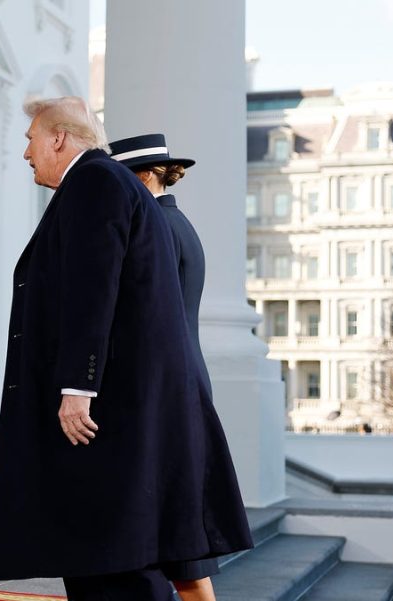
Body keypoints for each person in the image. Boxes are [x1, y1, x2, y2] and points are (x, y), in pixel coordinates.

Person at [0, 96, 253, 601]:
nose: (26, 154)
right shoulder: (107, 186)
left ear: (59, 138)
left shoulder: (95, 182)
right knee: (106, 556)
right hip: (124, 409)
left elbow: (95, 290)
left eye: (30, 140)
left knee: (114, 561)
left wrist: (77, 387)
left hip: (105, 412)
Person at [110, 133, 219, 601]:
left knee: (180, 546)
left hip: (166, 389)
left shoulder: (154, 226)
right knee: (183, 547)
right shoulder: (180, 222)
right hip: (185, 379)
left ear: (141, 177)